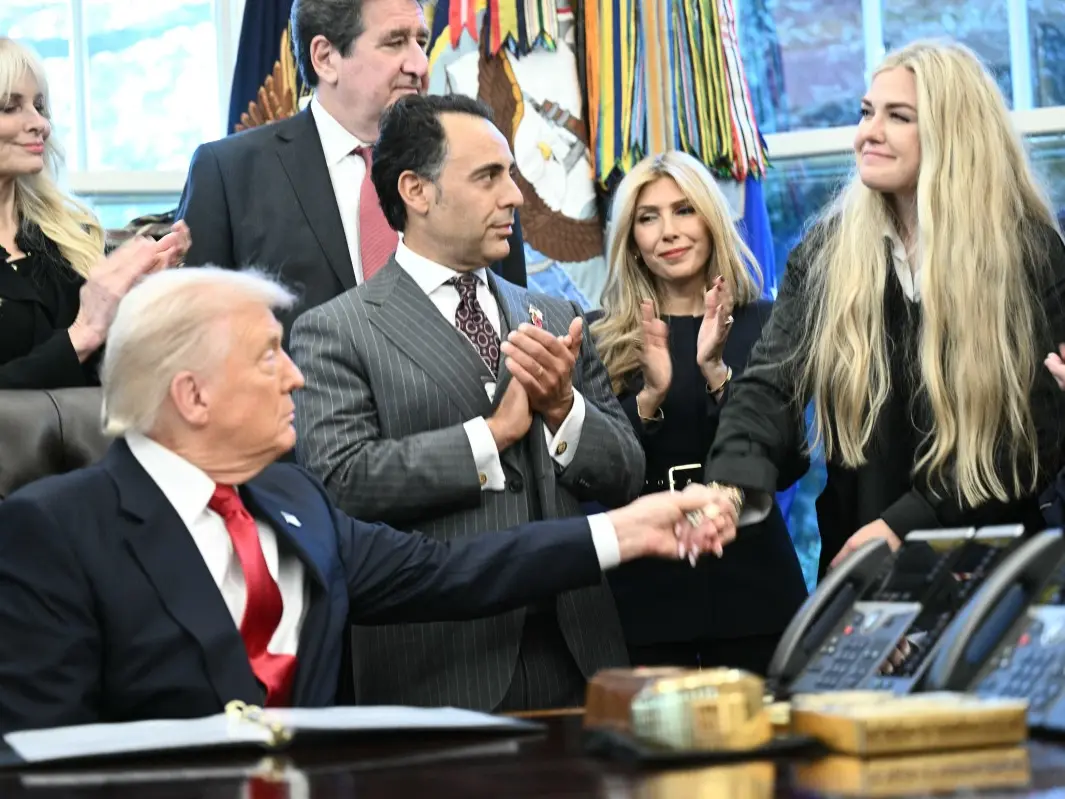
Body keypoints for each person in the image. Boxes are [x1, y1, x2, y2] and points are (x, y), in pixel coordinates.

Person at [0, 266, 737, 734]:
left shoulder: (292, 499)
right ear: (192, 395)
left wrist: (625, 530)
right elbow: (44, 760)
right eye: (268, 357)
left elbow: (451, 570)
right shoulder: (52, 532)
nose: (295, 377)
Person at [289, 94, 648, 712]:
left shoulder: (555, 314)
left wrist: (564, 410)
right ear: (416, 191)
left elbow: (627, 475)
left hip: (582, 660)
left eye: (511, 174)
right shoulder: (336, 331)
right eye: (488, 177)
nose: (515, 196)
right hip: (437, 671)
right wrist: (492, 435)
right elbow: (341, 485)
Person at [705, 40, 1065, 580]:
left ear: (952, 132)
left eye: (898, 116)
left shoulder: (1029, 253)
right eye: (866, 112)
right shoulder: (828, 251)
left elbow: (1033, 430)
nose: (867, 133)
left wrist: (905, 525)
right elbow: (771, 385)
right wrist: (729, 484)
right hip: (863, 569)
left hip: (992, 570)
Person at [176, 0, 527, 339]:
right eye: (395, 42)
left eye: (421, 42)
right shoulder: (229, 173)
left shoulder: (476, 166)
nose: (420, 65)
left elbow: (515, 317)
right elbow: (192, 336)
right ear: (326, 58)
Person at [588, 151, 808, 675]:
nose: (668, 231)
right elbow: (595, 477)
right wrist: (650, 397)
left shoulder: (767, 323)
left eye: (684, 210)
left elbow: (791, 464)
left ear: (711, 221)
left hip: (754, 581)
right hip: (643, 590)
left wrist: (716, 374)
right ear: (632, 241)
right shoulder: (600, 336)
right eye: (648, 217)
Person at [0, 37, 189, 389]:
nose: (39, 123)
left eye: (39, 106)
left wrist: (134, 301)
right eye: (11, 107)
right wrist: (83, 334)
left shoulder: (70, 235)